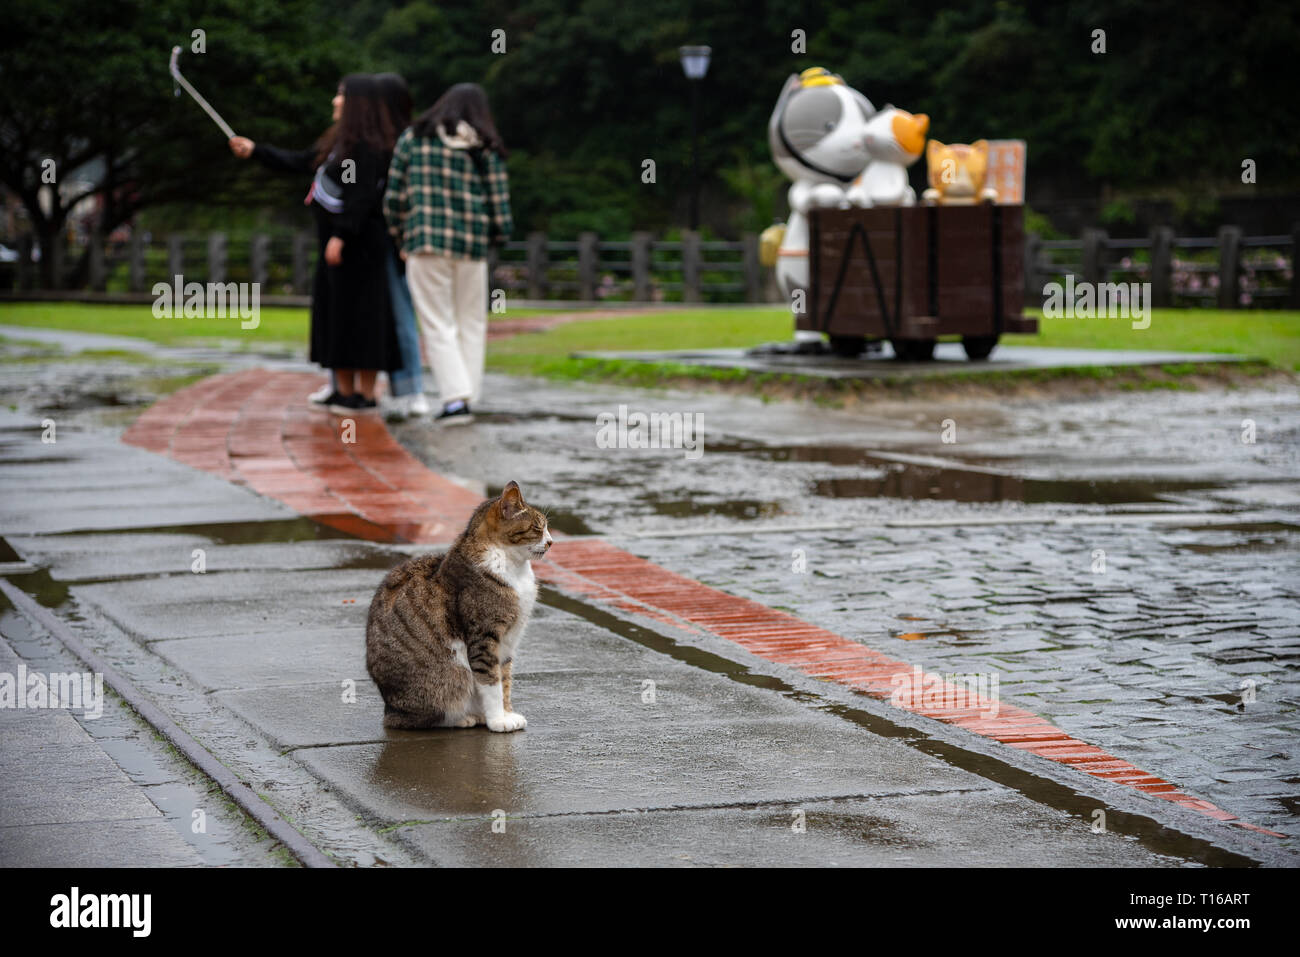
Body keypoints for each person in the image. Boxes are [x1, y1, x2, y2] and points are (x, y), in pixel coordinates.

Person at [230, 74, 399, 412]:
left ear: (356, 104)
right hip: (335, 245)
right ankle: (343, 389)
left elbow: (361, 197)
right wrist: (257, 152)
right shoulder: (338, 143)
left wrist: (341, 235)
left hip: (358, 248)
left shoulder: (366, 148)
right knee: (337, 315)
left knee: (362, 317)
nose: (335, 102)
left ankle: (364, 396)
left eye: (341, 96)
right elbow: (301, 161)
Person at [383, 82, 512, 425]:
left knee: (437, 322)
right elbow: (499, 204)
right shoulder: (484, 146)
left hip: (425, 242)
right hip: (471, 246)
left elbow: (394, 196)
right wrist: (498, 234)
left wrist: (400, 236)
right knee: (472, 321)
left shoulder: (413, 140)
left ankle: (456, 400)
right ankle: (467, 396)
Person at [374, 72, 430, 418]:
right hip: (373, 239)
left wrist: (404, 237)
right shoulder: (370, 138)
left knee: (401, 316)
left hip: (396, 242)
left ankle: (413, 388)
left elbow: (406, 196)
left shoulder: (407, 140)